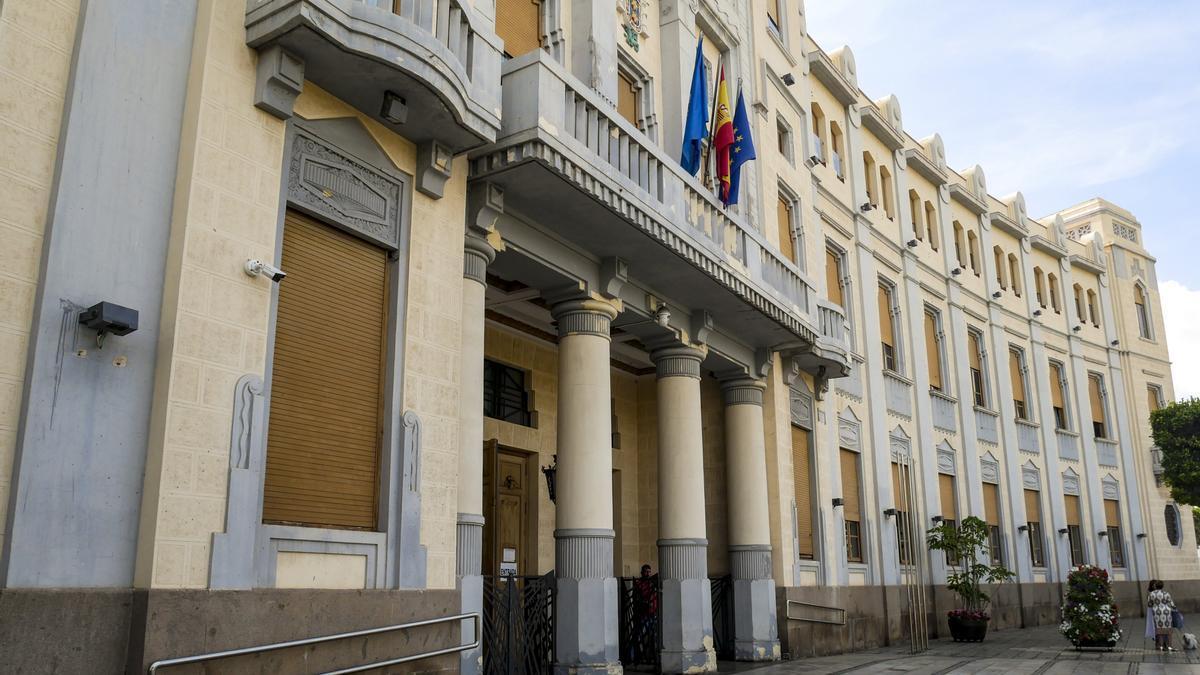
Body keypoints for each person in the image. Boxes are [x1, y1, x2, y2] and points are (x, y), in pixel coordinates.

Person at [1149, 579, 1178, 651]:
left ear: (1155, 586)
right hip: (1166, 613)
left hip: (1157, 613)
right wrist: (1174, 608)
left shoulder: (1151, 594)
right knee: (1168, 630)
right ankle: (1170, 646)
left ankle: (1161, 646)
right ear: (1162, 586)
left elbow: (1149, 604)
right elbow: (1172, 604)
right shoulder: (1166, 593)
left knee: (1159, 630)